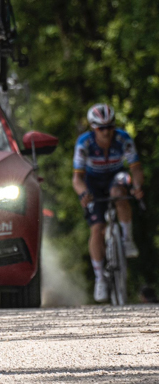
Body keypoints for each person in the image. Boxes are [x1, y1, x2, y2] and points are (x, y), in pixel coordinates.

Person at [72, 103, 144, 302]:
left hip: (115, 176)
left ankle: (127, 239)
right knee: (97, 228)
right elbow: (77, 178)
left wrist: (137, 186)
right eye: (101, 128)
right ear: (94, 128)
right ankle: (99, 278)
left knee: (119, 192)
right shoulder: (84, 143)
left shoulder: (123, 139)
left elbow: (135, 169)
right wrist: (83, 194)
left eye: (110, 127)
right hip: (92, 182)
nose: (107, 132)